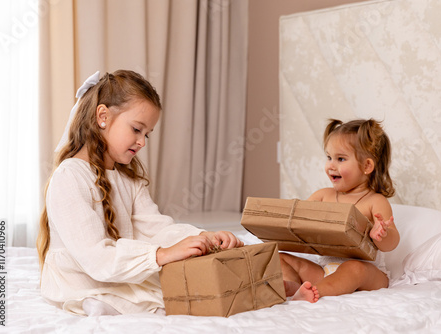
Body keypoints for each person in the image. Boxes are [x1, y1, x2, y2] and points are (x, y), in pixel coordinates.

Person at [36, 70, 243, 316]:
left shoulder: (128, 179)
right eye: (136, 129)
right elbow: (95, 258)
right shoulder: (69, 177)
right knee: (163, 297)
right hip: (82, 276)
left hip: (118, 272)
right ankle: (95, 303)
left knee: (198, 286)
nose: (142, 142)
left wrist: (204, 237)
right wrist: (162, 254)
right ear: (102, 116)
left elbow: (157, 229)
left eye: (146, 134)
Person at [280, 118, 400, 303]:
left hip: (366, 275)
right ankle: (294, 286)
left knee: (354, 268)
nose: (331, 166)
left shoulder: (375, 201)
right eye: (329, 157)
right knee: (282, 258)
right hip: (325, 271)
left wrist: (382, 234)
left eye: (341, 159)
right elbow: (298, 221)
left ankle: (314, 292)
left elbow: (393, 240)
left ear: (367, 166)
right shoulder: (322, 196)